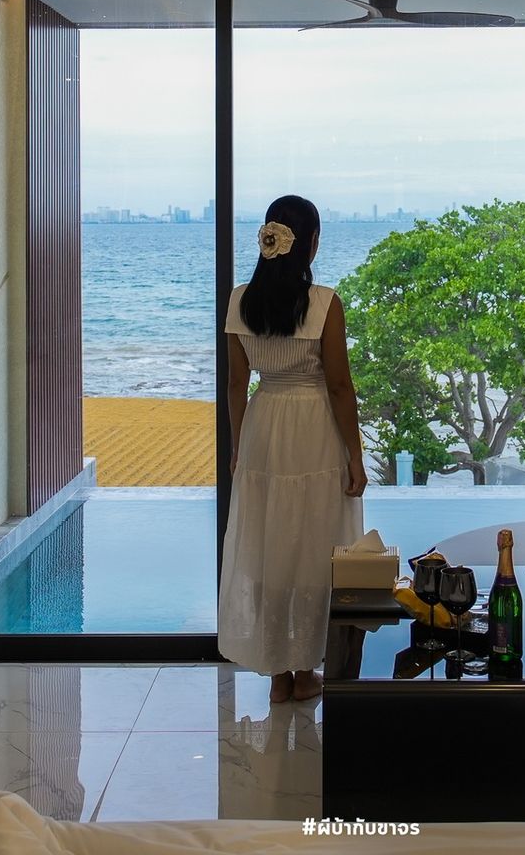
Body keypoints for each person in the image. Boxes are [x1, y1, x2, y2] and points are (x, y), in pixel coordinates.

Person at [217, 194, 367, 702]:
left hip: (265, 425)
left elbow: (237, 385)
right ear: (312, 244)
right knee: (311, 547)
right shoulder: (324, 303)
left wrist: (240, 447)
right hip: (312, 428)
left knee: (269, 547)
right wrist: (356, 454)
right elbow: (340, 387)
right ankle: (305, 671)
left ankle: (278, 676)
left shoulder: (240, 299)